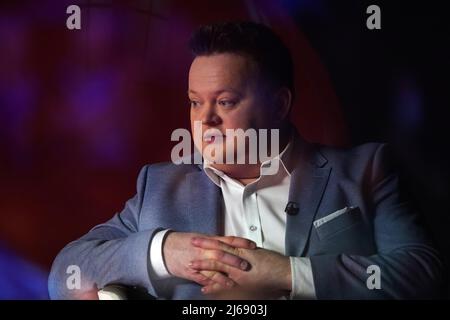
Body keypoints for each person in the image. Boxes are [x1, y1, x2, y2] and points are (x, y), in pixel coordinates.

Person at [48, 21, 444, 300]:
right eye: (194, 103)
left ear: (279, 104)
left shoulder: (365, 169)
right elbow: (66, 273)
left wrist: (286, 274)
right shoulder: (159, 186)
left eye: (225, 102)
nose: (206, 120)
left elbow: (424, 275)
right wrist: (164, 251)